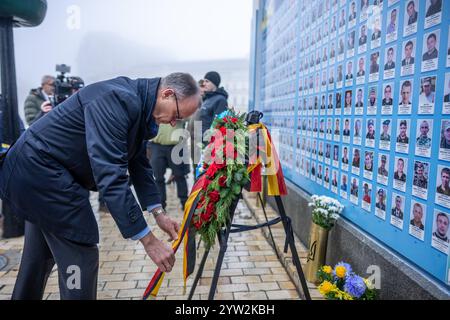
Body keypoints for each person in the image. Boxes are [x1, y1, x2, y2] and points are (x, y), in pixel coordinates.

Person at [1, 73, 201, 300]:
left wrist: (158, 212)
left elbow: (138, 161)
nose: (174, 123)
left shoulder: (139, 105)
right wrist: (148, 240)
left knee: (37, 259)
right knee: (80, 256)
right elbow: (111, 176)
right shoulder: (116, 100)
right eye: (176, 115)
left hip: (39, 173)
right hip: (41, 173)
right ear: (167, 94)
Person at [148, 122, 189, 211]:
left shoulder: (179, 108)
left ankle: (185, 204)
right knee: (157, 177)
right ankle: (161, 205)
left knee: (180, 176)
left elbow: (187, 117)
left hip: (176, 146)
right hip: (156, 145)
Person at [199, 71, 228, 136]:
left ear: (214, 83)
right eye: (204, 81)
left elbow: (218, 124)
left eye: (207, 81)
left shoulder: (220, 100)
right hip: (199, 140)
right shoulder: (207, 99)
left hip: (208, 142)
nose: (204, 84)